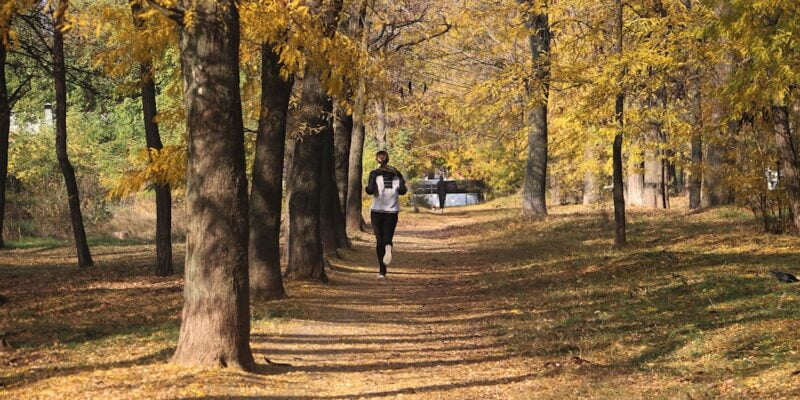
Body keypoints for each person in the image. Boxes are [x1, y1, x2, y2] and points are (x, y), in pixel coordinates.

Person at [366, 150, 407, 278]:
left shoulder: (374, 174)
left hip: (377, 211)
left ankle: (382, 271)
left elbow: (370, 190)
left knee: (379, 241)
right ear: (387, 159)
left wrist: (366, 188)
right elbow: (402, 191)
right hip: (392, 212)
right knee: (387, 239)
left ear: (377, 160)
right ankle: (388, 246)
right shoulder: (396, 174)